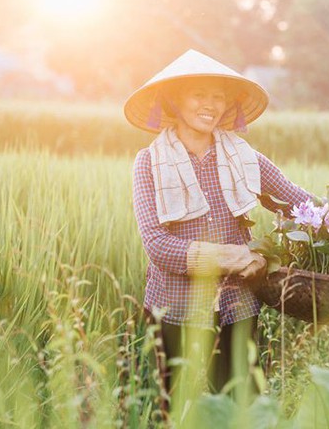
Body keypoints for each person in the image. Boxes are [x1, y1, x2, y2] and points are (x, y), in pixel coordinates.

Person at [126, 49, 313, 403]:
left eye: (218, 97)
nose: (210, 104)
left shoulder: (244, 158)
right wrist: (236, 256)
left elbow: (298, 202)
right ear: (175, 100)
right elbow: (157, 246)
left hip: (237, 306)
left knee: (244, 406)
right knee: (174, 407)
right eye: (199, 95)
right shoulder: (149, 163)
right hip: (175, 309)